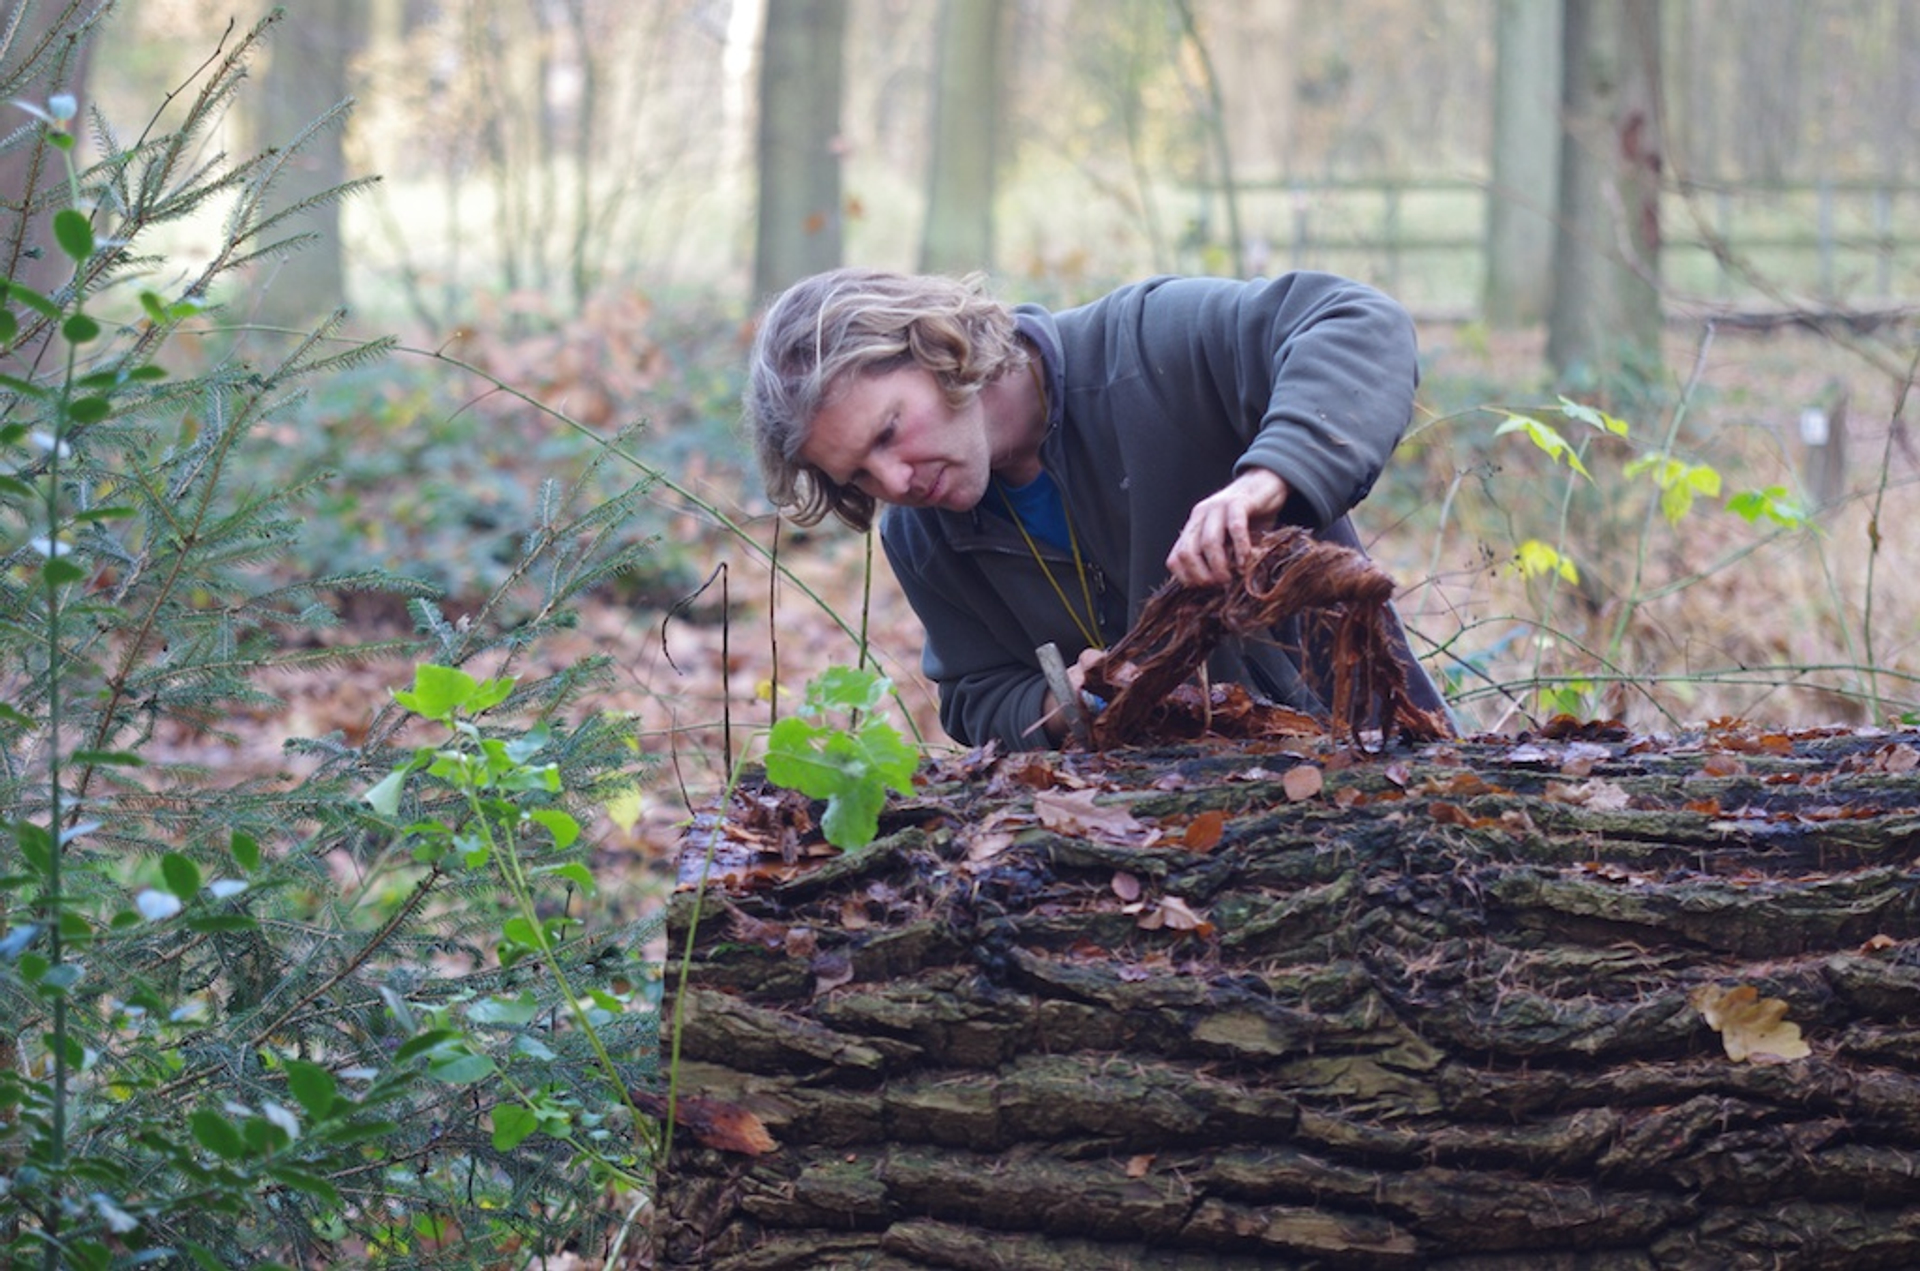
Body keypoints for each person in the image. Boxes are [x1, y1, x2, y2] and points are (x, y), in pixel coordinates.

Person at [745, 267, 1448, 750]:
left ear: (935, 347)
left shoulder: (1146, 346)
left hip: (1375, 771)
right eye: (859, 475)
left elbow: (1359, 322)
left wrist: (1268, 478)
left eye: (890, 431)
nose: (893, 481)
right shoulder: (920, 531)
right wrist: (1058, 703)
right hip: (1150, 859)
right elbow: (974, 693)